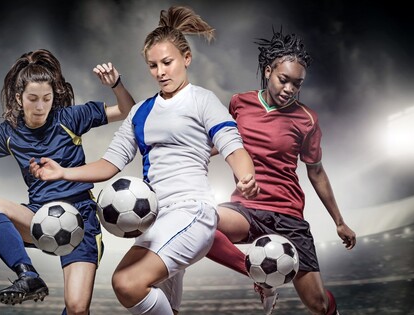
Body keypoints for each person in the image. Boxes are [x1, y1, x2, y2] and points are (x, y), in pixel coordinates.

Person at [29, 6, 259, 315]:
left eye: (167, 62)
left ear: (186, 58)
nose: (161, 72)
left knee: (126, 283)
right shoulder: (140, 113)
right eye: (153, 66)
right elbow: (109, 164)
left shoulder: (202, 100)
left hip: (192, 213)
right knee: (163, 305)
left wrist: (246, 175)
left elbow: (233, 147)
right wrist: (62, 172)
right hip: (157, 221)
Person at [0, 49, 135, 314]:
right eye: (33, 98)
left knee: (77, 308)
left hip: (81, 218)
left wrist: (116, 84)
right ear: (18, 98)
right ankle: (28, 276)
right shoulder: (9, 133)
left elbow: (129, 110)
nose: (40, 106)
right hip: (39, 216)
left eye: (46, 98)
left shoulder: (70, 118)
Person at [205, 29, 357, 315]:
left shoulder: (307, 119)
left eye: (296, 84)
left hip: (288, 216)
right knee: (200, 222)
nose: (289, 89)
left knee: (318, 305)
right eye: (283, 80)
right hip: (246, 208)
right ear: (267, 71)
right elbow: (226, 143)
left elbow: (317, 172)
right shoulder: (240, 102)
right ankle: (261, 277)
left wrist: (339, 221)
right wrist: (194, 153)